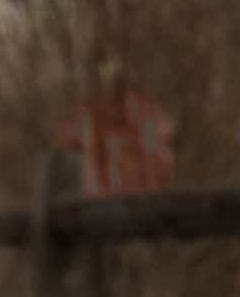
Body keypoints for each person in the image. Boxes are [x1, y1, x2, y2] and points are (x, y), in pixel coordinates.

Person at [54, 59, 175, 199]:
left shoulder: (146, 117)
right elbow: (62, 140)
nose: (109, 92)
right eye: (104, 85)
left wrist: (150, 192)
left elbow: (157, 159)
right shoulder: (88, 118)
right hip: (98, 202)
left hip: (138, 201)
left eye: (114, 84)